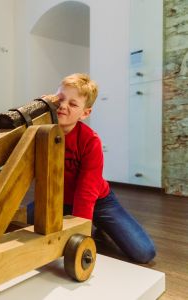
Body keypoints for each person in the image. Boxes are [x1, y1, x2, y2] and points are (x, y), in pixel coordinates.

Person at [27, 73, 155, 264]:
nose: (63, 106)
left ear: (85, 113)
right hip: (58, 199)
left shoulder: (90, 141)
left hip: (98, 200)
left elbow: (86, 193)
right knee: (24, 226)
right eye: (60, 99)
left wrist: (80, 234)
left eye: (73, 104)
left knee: (144, 253)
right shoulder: (40, 132)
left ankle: (101, 223)